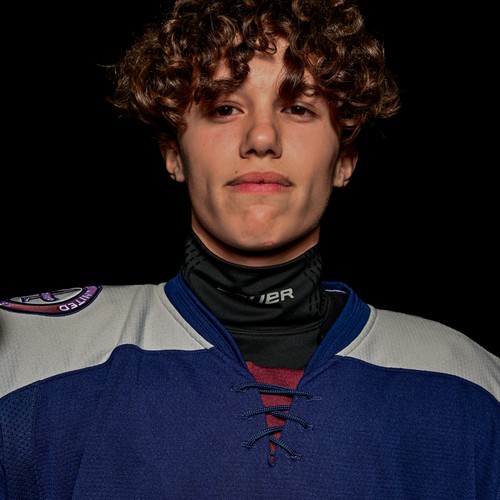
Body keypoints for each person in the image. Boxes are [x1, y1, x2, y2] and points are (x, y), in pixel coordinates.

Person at [0, 0, 498, 497]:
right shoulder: (28, 360)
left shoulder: (469, 382)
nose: (261, 137)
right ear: (174, 153)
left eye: (299, 107)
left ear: (345, 159)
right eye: (224, 108)